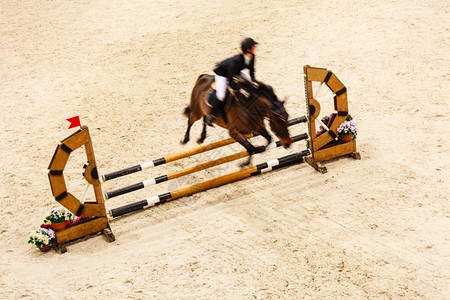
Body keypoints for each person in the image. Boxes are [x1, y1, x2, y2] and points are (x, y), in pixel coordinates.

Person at [205, 37, 259, 126]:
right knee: (221, 95)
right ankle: (211, 116)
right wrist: (240, 89)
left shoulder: (252, 56)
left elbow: (252, 70)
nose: (255, 48)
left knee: (250, 81)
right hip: (222, 73)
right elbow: (231, 82)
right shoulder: (236, 61)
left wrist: (253, 81)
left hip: (236, 71)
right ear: (248, 49)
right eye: (253, 47)